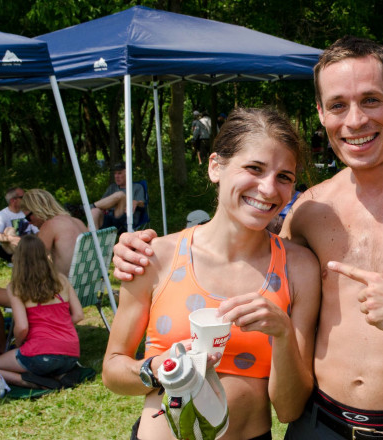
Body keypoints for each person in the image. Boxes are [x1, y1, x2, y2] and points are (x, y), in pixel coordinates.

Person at [112, 36, 383, 439]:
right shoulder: (309, 209)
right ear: (322, 113)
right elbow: (246, 254)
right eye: (338, 105)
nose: (355, 120)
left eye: (370, 100)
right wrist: (140, 252)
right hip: (315, 426)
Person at [102, 108, 321, 440]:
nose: (268, 188)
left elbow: (289, 409)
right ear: (215, 166)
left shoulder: (299, 268)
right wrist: (157, 369)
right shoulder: (155, 256)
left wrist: (284, 334)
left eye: (284, 177)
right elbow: (113, 370)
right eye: (254, 168)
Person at [0, 235, 83, 388]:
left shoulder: (16, 287)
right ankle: (62, 374)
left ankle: (31, 382)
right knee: (49, 363)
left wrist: (18, 344)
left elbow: (22, 327)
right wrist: (58, 326)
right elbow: (78, 315)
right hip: (71, 353)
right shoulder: (62, 280)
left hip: (39, 353)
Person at [21, 189, 88, 277]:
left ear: (37, 209)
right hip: (87, 281)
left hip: (65, 286)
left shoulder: (49, 225)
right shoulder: (77, 221)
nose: (29, 222)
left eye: (28, 218)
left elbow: (34, 262)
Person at [90, 162, 146, 232]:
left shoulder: (137, 187)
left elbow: (142, 204)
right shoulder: (112, 187)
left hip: (124, 220)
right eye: (115, 173)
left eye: (119, 173)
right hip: (109, 218)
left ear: (127, 173)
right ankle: (93, 241)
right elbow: (101, 204)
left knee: (120, 195)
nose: (116, 176)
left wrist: (136, 202)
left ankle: (87, 208)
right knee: (94, 211)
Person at [0, 187, 38, 263]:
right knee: (9, 230)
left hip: (29, 244)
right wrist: (11, 238)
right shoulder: (2, 215)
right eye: (23, 197)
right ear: (13, 200)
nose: (26, 199)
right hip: (11, 248)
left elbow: (37, 231)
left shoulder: (27, 212)